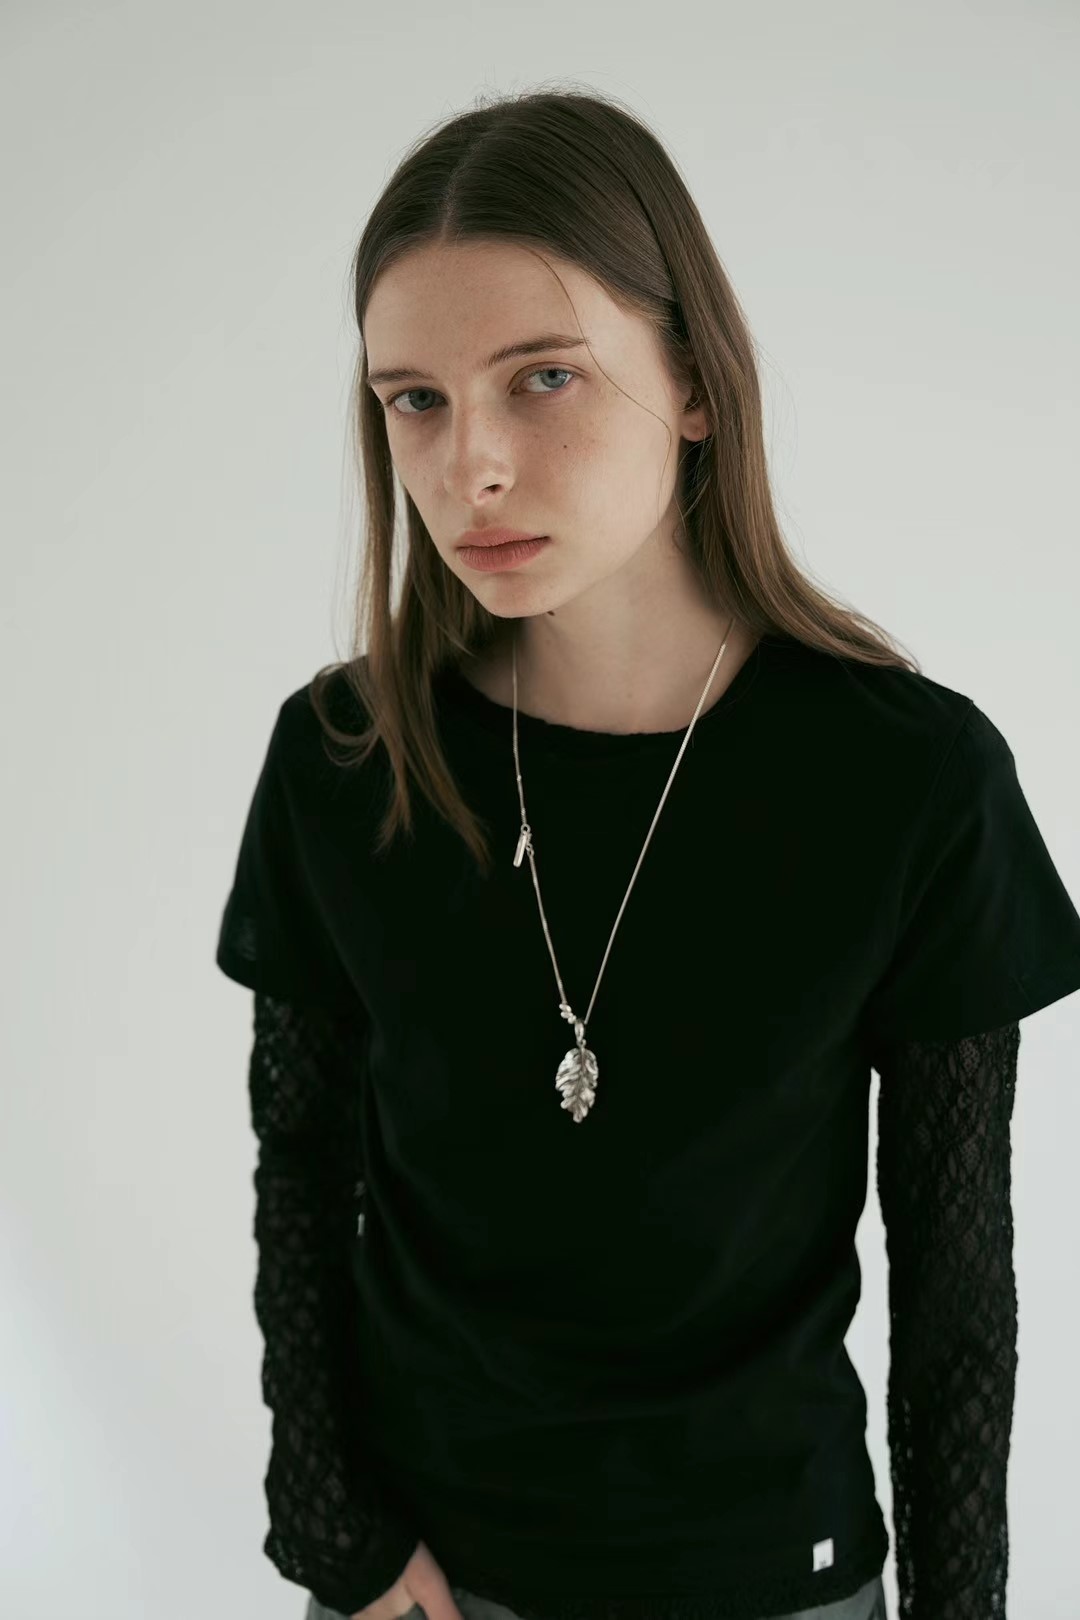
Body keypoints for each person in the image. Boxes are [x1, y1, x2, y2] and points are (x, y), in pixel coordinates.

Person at [214, 87, 1080, 1620]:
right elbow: (302, 1171)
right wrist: (335, 1528)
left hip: (772, 1577)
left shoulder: (908, 780)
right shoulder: (347, 760)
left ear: (691, 381)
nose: (470, 465)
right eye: (414, 399)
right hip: (425, 1581)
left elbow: (959, 1294)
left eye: (541, 377)